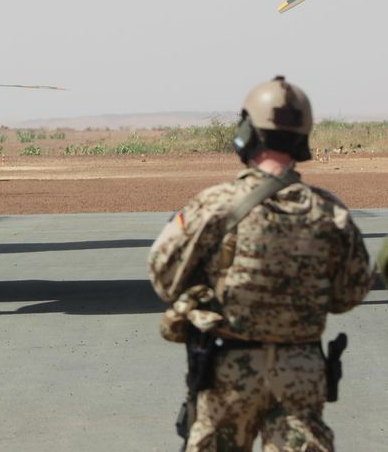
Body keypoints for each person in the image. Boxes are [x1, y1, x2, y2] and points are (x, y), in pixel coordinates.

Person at [148, 76, 373, 452]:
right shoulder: (330, 212)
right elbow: (348, 295)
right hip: (300, 372)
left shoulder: (216, 204)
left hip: (228, 370)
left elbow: (163, 276)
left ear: (248, 132)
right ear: (303, 138)